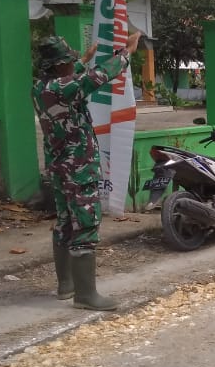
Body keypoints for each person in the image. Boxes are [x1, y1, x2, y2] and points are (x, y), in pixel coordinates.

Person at [32, 32, 141, 311]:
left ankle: (66, 285)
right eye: (67, 62)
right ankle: (85, 295)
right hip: (78, 168)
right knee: (86, 223)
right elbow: (98, 77)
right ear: (58, 66)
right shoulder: (64, 88)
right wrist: (126, 53)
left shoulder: (41, 87)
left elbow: (75, 78)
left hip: (58, 167)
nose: (72, 65)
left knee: (65, 223)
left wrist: (82, 60)